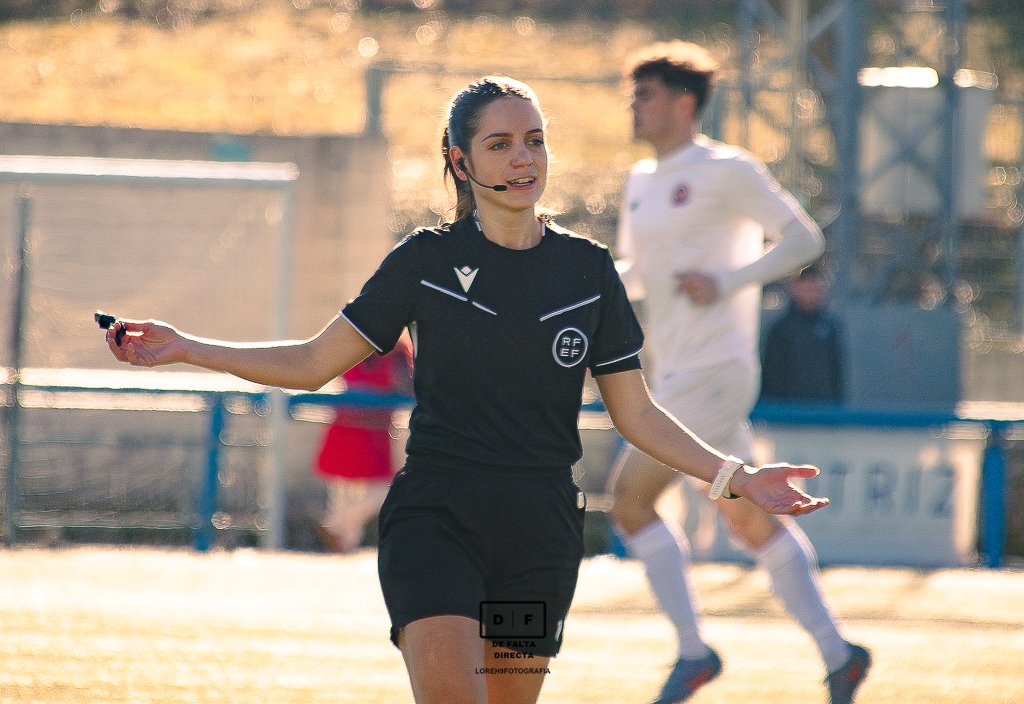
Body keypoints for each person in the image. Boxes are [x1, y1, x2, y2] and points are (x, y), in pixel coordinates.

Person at [101, 75, 830, 704]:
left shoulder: (589, 271)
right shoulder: (423, 261)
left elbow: (636, 412)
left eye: (536, 141)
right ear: (460, 160)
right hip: (436, 521)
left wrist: (736, 476)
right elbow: (313, 360)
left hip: (538, 534)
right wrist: (189, 347)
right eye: (501, 144)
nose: (524, 159)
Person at [607, 42, 870, 704]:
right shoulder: (640, 181)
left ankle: (694, 654)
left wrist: (727, 280)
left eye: (648, 94)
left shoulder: (726, 169)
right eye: (633, 94)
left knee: (630, 500)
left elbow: (804, 239)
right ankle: (841, 655)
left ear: (685, 102)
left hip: (717, 373)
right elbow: (635, 273)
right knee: (748, 518)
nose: (635, 106)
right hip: (672, 376)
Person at [314, 335, 413, 552]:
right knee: (343, 497)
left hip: (372, 432)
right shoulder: (353, 341)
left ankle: (336, 527)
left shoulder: (395, 350)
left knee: (378, 493)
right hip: (349, 427)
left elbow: (405, 386)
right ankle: (339, 537)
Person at [761, 263, 844, 403]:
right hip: (787, 412)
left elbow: (836, 372)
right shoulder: (780, 329)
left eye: (815, 286)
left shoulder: (831, 327)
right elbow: (772, 375)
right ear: (794, 289)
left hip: (824, 410)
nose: (811, 291)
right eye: (806, 286)